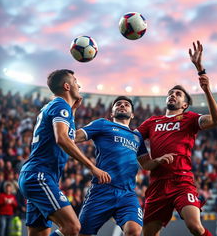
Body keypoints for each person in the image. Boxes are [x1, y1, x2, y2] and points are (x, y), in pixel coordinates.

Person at [137, 41, 217, 236]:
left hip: (181, 181)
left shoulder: (190, 119)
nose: (173, 95)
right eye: (171, 93)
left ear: (185, 105)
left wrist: (206, 88)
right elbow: (133, 138)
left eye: (178, 94)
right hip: (157, 184)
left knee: (195, 227)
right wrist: (148, 160)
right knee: (148, 233)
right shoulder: (152, 121)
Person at [18, 69, 111, 236]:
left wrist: (73, 111)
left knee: (40, 233)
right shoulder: (60, 104)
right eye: (76, 82)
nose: (79, 85)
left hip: (38, 176)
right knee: (73, 227)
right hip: (40, 176)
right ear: (67, 86)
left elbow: (69, 136)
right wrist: (92, 167)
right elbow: (62, 138)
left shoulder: (58, 107)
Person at [75, 96, 175, 236]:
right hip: (102, 190)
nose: (122, 105)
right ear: (112, 113)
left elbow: (146, 164)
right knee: (81, 233)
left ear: (132, 114)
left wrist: (158, 160)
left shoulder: (137, 137)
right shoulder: (102, 124)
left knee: (134, 230)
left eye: (126, 104)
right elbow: (73, 137)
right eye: (118, 104)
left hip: (127, 194)